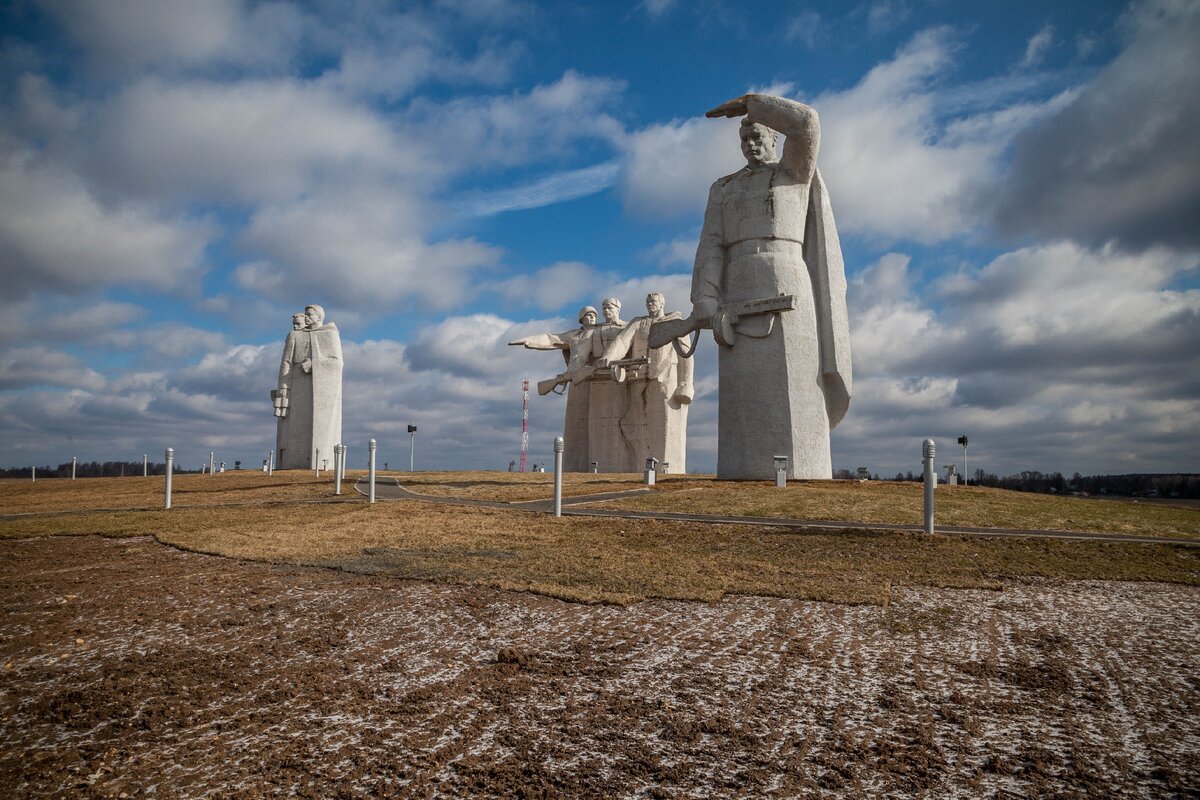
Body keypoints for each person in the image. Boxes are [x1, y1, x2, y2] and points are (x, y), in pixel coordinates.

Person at [688, 94, 852, 479]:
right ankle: (742, 465)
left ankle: (801, 467)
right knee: (743, 387)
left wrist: (753, 105)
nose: (751, 143)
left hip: (788, 274)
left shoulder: (793, 174)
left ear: (775, 139)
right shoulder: (723, 188)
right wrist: (706, 299)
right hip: (738, 281)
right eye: (744, 139)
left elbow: (808, 123)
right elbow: (710, 245)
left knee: (796, 379)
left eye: (758, 135)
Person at [601, 292, 694, 472]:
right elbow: (622, 341)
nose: (650, 304)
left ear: (662, 304)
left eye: (654, 301)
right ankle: (639, 466)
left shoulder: (674, 323)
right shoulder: (638, 323)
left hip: (665, 379)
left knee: (665, 425)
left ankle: (665, 468)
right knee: (632, 424)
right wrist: (609, 356)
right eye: (648, 301)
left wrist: (686, 383)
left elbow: (686, 355)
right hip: (638, 378)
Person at [509, 307, 598, 471]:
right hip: (575, 380)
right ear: (581, 318)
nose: (592, 317)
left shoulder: (602, 332)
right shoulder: (574, 335)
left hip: (596, 380)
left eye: (594, 315)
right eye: (588, 315)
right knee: (575, 421)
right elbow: (551, 339)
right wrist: (528, 340)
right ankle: (574, 465)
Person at [275, 304, 343, 469]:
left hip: (320, 390)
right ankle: (292, 462)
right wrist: (283, 388)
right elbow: (286, 363)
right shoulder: (295, 335)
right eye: (305, 314)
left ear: (319, 316)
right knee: (294, 428)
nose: (306, 317)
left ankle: (320, 463)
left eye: (309, 314)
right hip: (297, 387)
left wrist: (315, 364)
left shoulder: (330, 334)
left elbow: (337, 362)